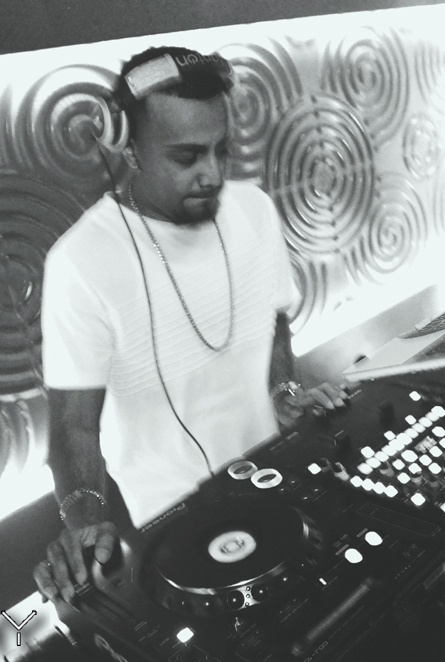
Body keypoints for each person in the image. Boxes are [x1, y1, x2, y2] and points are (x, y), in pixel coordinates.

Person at [33, 46, 347, 603]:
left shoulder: (255, 210)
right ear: (128, 146)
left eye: (222, 149)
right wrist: (86, 520)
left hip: (276, 479)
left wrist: (284, 393)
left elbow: (274, 322)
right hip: (174, 529)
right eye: (186, 157)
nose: (213, 174)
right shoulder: (81, 262)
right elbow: (73, 428)